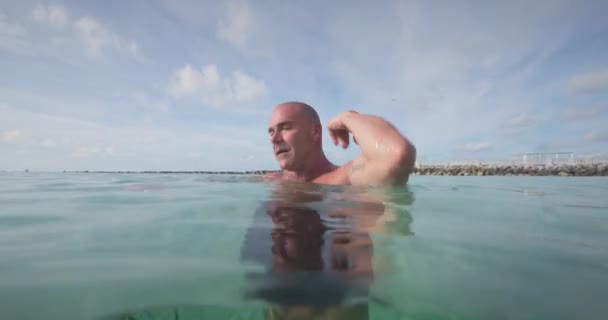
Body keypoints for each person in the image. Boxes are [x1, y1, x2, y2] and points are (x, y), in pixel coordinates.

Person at [264, 102, 416, 186]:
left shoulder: (343, 180)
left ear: (315, 132)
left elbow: (395, 155)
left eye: (285, 127)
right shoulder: (271, 180)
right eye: (271, 132)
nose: (274, 139)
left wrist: (348, 118)